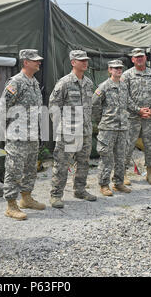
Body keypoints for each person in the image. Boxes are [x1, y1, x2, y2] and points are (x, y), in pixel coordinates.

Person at [0, 49, 46, 221]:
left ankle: (26, 198)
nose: (39, 62)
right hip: (17, 135)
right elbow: (3, 108)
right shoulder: (16, 82)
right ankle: (11, 205)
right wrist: (6, 132)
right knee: (14, 170)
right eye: (35, 60)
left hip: (32, 134)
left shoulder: (33, 82)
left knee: (30, 168)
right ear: (25, 62)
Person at [49, 50, 97, 209]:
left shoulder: (89, 83)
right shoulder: (64, 83)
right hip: (68, 132)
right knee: (62, 163)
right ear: (73, 62)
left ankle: (80, 190)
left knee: (83, 162)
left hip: (85, 131)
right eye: (81, 60)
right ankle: (56, 194)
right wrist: (61, 128)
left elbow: (92, 107)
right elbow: (53, 106)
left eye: (86, 60)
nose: (85, 62)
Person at [122, 48, 151, 185]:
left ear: (145, 58)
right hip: (132, 118)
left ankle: (150, 172)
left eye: (142, 56)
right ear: (132, 59)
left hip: (149, 118)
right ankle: (122, 172)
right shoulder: (126, 75)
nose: (139, 59)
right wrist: (138, 110)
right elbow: (124, 96)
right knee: (127, 145)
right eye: (136, 57)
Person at [92, 59, 131, 196]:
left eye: (120, 68)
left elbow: (128, 103)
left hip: (122, 128)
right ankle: (104, 184)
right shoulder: (104, 86)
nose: (118, 70)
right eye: (115, 68)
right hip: (108, 128)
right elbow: (94, 104)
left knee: (121, 157)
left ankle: (118, 183)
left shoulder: (124, 86)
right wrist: (101, 121)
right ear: (109, 70)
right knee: (106, 158)